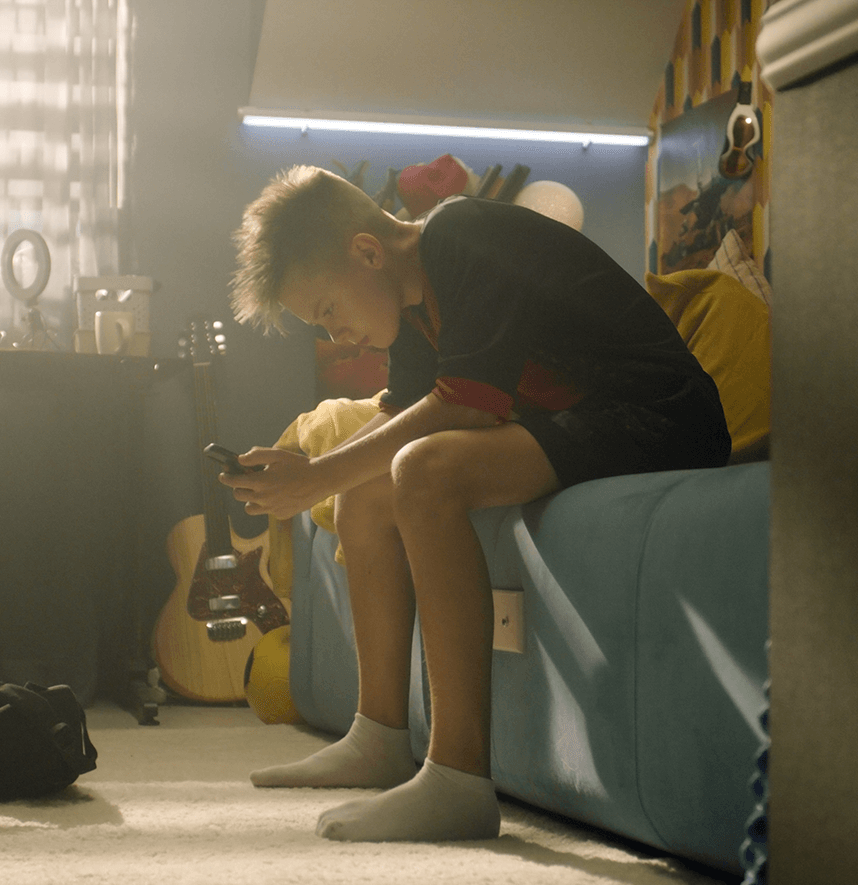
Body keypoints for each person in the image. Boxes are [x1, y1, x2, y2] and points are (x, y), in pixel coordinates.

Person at [222, 165, 729, 843]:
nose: (336, 335)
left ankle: (458, 778)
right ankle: (378, 737)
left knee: (423, 472)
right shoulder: (411, 313)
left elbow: (466, 403)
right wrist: (317, 471)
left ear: (368, 253)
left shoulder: (462, 234)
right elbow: (403, 408)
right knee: (363, 496)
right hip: (582, 421)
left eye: (328, 312)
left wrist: (318, 476)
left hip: (657, 415)